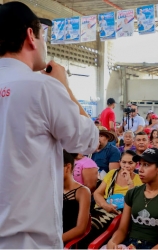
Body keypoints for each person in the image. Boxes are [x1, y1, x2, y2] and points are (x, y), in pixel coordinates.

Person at [0, 2, 99, 248]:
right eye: (43, 35)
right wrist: (65, 87)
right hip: (27, 239)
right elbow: (88, 140)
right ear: (31, 36)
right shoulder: (42, 87)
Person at [107, 148, 158, 249]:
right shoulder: (132, 193)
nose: (140, 169)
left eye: (146, 165)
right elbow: (122, 230)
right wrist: (112, 243)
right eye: (140, 164)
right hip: (129, 245)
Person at [81, 150, 143, 248]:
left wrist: (129, 181)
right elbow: (97, 193)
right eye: (124, 162)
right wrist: (105, 205)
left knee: (93, 227)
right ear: (119, 163)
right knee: (82, 224)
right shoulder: (112, 173)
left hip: (121, 213)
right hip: (103, 208)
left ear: (136, 164)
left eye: (130, 163)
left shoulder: (139, 179)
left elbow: (134, 200)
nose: (126, 165)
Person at [63, 150, 91, 245]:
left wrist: (54, 241)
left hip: (67, 240)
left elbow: (80, 229)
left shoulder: (83, 192)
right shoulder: (52, 189)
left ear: (67, 167)